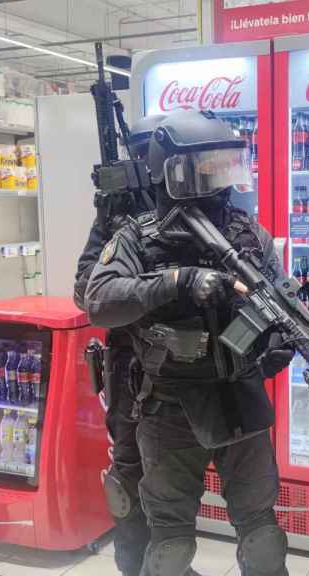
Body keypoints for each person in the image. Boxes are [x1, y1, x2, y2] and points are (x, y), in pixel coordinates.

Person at [86, 111, 293, 576]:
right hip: (169, 405)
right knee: (170, 542)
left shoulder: (245, 233)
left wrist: (279, 338)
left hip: (239, 397)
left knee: (261, 533)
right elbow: (98, 300)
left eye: (225, 165)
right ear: (175, 172)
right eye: (208, 166)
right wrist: (175, 282)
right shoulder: (137, 236)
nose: (220, 179)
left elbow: (280, 293)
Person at [73, 114, 202, 576]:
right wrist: (155, 290)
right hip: (132, 366)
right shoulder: (120, 211)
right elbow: (86, 291)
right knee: (130, 475)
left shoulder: (196, 205)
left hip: (191, 369)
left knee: (173, 486)